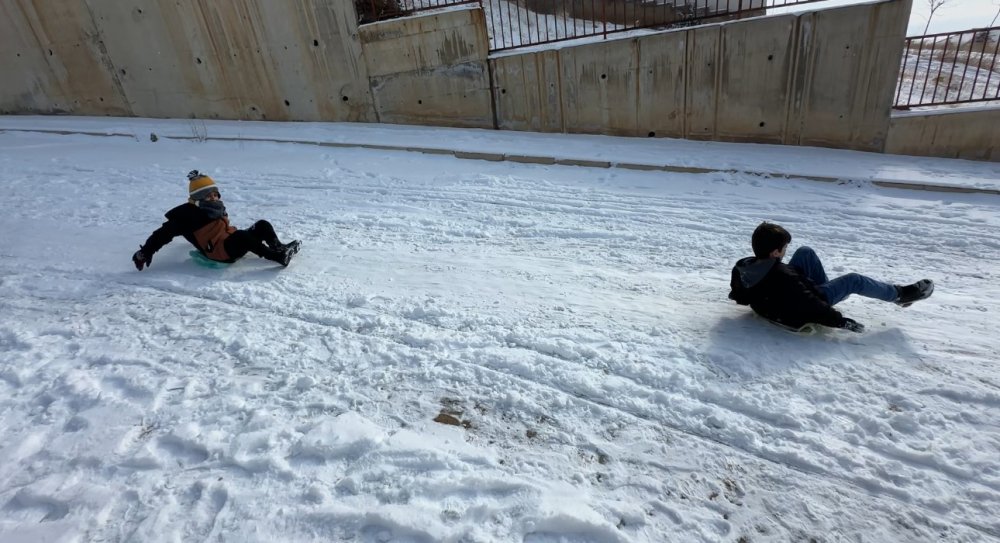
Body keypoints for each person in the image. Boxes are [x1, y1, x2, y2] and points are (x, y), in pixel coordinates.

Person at [729, 222, 933, 333]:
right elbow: (809, 303)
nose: (785, 251)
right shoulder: (785, 277)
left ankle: (830, 287)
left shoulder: (744, 266)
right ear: (775, 253)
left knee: (804, 252)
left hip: (782, 291)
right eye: (784, 248)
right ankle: (900, 295)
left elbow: (739, 293)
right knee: (854, 279)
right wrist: (839, 321)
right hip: (814, 298)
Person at [131, 170, 299, 270]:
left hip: (228, 240)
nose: (213, 198)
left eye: (214, 194)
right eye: (207, 196)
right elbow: (162, 234)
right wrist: (144, 252)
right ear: (197, 199)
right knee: (242, 236)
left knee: (261, 225)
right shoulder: (187, 216)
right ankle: (277, 257)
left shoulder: (215, 207)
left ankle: (279, 248)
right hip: (219, 252)